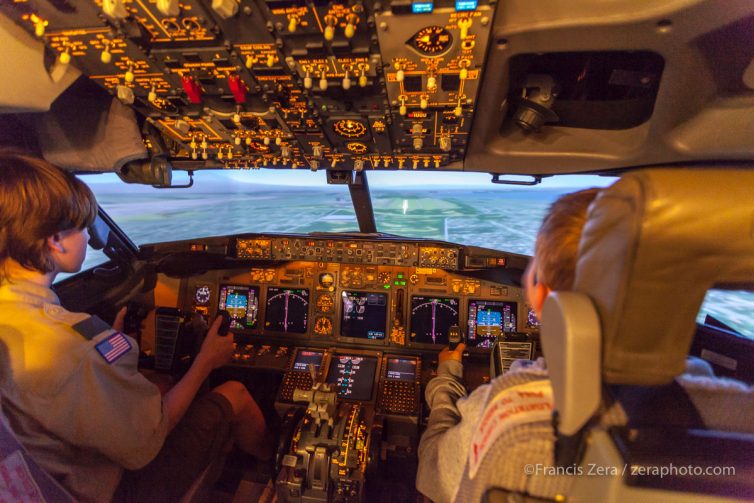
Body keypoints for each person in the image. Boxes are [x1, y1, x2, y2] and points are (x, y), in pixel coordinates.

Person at [0, 150, 271, 502]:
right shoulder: (71, 347)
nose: (88, 238)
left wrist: (113, 355)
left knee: (160, 384)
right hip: (110, 491)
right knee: (233, 391)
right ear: (55, 240)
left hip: (44, 479)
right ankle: (271, 467)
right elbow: (147, 443)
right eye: (84, 228)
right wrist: (206, 361)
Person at [416, 188, 601, 503]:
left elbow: (431, 472)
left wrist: (446, 379)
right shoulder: (714, 413)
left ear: (540, 299)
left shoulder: (509, 406)